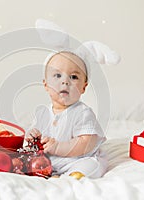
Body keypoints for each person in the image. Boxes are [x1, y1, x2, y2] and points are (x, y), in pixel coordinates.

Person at [25, 50, 107, 179]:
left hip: (76, 160)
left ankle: (68, 179)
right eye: (57, 75)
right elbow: (35, 134)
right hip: (50, 161)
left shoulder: (83, 112)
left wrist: (58, 147)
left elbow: (86, 143)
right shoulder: (42, 113)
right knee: (25, 161)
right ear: (46, 85)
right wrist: (31, 135)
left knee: (92, 166)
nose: (65, 81)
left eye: (74, 77)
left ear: (83, 87)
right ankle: (46, 174)